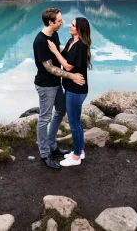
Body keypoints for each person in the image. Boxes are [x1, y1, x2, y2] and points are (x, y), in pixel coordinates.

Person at [33, 8, 85, 170]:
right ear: (51, 22)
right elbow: (50, 68)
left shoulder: (54, 35)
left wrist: (74, 52)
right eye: (60, 20)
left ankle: (52, 146)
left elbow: (58, 53)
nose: (63, 22)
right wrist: (73, 76)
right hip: (45, 85)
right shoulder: (40, 41)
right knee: (44, 118)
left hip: (56, 83)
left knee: (61, 110)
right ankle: (44, 153)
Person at [47, 17, 91, 167]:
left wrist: (54, 50)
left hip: (76, 90)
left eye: (72, 25)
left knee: (74, 123)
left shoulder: (80, 46)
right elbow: (64, 54)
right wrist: (54, 48)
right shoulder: (72, 42)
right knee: (76, 122)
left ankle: (76, 157)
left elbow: (68, 66)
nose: (69, 27)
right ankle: (81, 151)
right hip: (73, 89)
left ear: (79, 29)